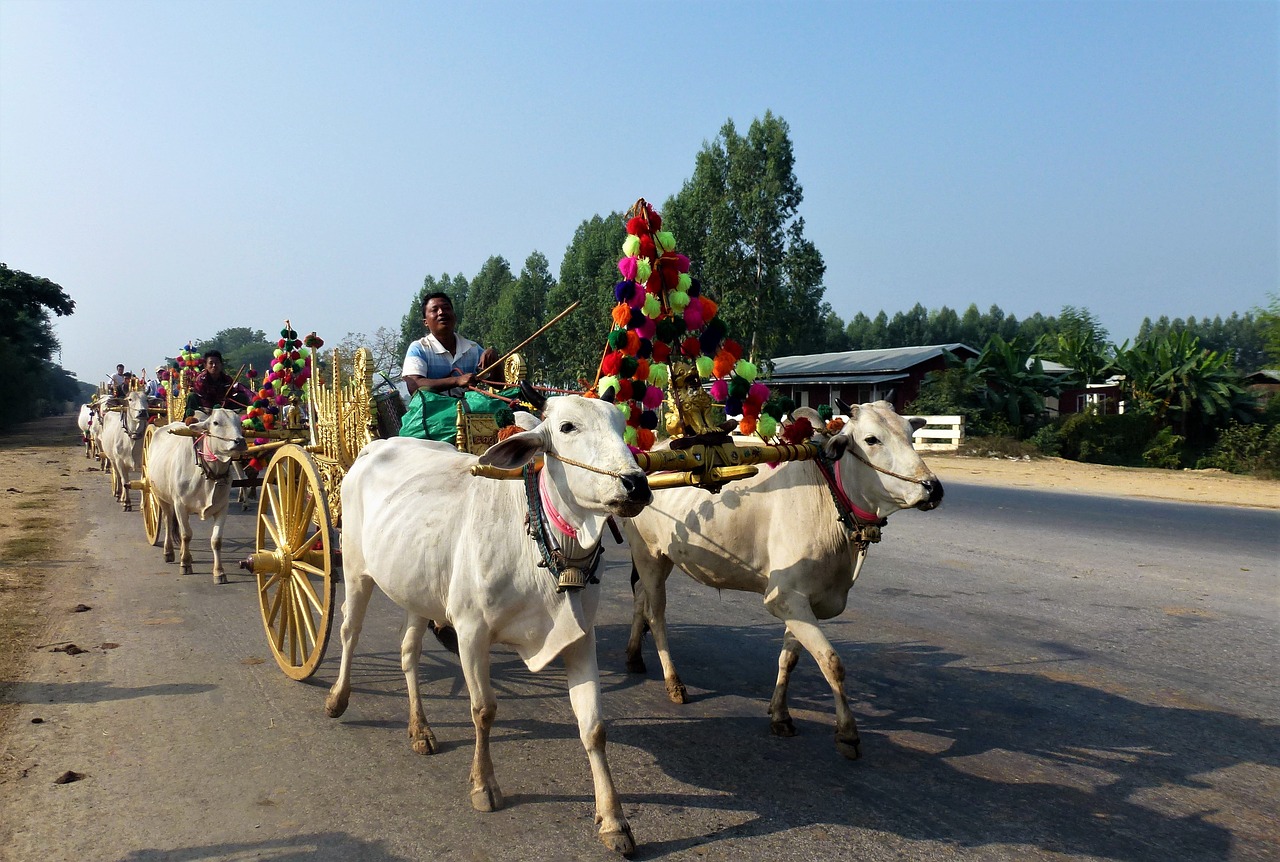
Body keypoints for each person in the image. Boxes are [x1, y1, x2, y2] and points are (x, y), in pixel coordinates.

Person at [401, 293, 499, 395]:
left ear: (454, 316)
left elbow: (499, 384)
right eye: (434, 310)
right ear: (425, 322)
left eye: (446, 308)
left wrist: (494, 358)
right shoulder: (419, 349)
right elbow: (414, 386)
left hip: (471, 409)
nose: (441, 312)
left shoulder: (473, 348)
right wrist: (457, 381)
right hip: (434, 410)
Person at [184, 350, 254, 424]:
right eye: (211, 363)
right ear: (205, 365)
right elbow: (205, 398)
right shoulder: (200, 380)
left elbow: (234, 390)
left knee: (241, 396)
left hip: (224, 407)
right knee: (191, 396)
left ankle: (244, 422)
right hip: (205, 408)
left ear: (221, 364)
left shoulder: (227, 379)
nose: (214, 366)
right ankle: (189, 421)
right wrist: (218, 406)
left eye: (216, 363)